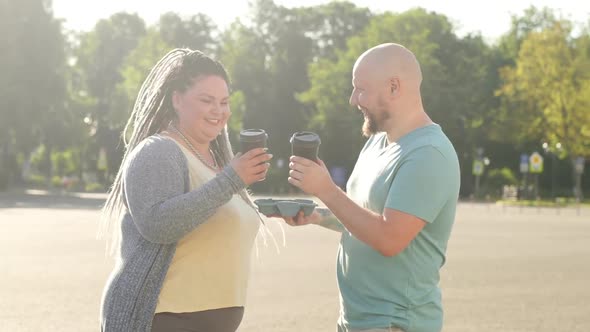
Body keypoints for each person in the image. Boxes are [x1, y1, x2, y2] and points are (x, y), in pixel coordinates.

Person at [281, 43, 461, 332]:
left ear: (393, 87)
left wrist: (326, 189)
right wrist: (318, 215)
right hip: (358, 320)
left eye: (361, 89)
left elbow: (389, 238)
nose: (353, 99)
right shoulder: (377, 141)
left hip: (396, 323)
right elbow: (363, 217)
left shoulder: (428, 154)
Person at [98, 48, 272, 332]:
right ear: (177, 100)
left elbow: (211, 213)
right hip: (163, 319)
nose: (219, 111)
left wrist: (268, 208)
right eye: (207, 100)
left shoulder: (217, 162)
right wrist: (231, 180)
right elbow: (158, 224)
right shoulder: (159, 151)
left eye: (224, 102)